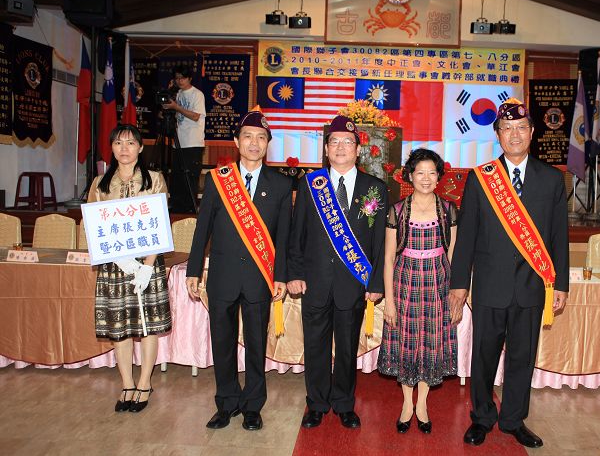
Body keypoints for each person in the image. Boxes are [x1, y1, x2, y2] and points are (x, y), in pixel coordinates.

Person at [450, 98, 569, 449]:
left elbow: (559, 236)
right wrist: (459, 284)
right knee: (483, 356)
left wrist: (560, 283)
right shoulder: (481, 178)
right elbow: (467, 236)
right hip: (490, 285)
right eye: (507, 129)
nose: (514, 135)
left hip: (532, 286)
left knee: (522, 357)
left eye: (521, 128)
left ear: (532, 133)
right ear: (498, 135)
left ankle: (514, 419)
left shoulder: (552, 179)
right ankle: (482, 417)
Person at [186, 111, 291, 431]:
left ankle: (253, 406)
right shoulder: (218, 179)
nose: (254, 143)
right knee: (223, 342)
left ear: (268, 144)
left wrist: (281, 276)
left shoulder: (282, 184)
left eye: (261, 138)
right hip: (222, 276)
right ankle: (227, 402)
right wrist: (193, 270)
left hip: (260, 277)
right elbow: (202, 228)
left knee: (257, 344)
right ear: (236, 141)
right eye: (248, 136)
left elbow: (284, 238)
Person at [287, 115, 388, 429]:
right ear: (326, 149)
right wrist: (294, 273)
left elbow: (379, 242)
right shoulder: (310, 185)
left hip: (353, 283)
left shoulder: (375, 188)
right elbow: (297, 233)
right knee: (315, 346)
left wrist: (375, 281)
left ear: (358, 149)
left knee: (346, 348)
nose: (341, 147)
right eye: (334, 142)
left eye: (348, 142)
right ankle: (316, 404)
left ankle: (344, 403)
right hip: (315, 281)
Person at [87, 124, 171, 413]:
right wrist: (119, 259)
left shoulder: (154, 180)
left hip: (147, 264)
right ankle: (126, 383)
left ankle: (145, 382)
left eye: (131, 143)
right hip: (114, 266)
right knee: (119, 327)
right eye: (118, 143)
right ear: (111, 148)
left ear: (140, 147)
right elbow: (93, 227)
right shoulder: (100, 183)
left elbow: (160, 226)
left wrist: (146, 267)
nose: (124, 148)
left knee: (148, 327)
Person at [377, 148, 458, 435]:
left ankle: (422, 404)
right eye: (420, 172)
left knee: (430, 345)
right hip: (405, 285)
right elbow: (389, 258)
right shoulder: (397, 210)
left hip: (438, 286)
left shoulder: (448, 210)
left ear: (439, 176)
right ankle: (406, 404)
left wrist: (455, 294)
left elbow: (453, 254)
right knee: (407, 343)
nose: (426, 178)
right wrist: (389, 301)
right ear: (410, 176)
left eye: (432, 173)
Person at [162, 65, 206, 213]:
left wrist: (176, 107)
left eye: (183, 78)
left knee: (190, 176)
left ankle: (189, 208)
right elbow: (177, 115)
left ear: (190, 78)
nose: (180, 81)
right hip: (178, 142)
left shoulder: (197, 94)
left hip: (193, 143)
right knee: (177, 177)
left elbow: (195, 116)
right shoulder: (178, 93)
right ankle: (176, 206)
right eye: (177, 78)